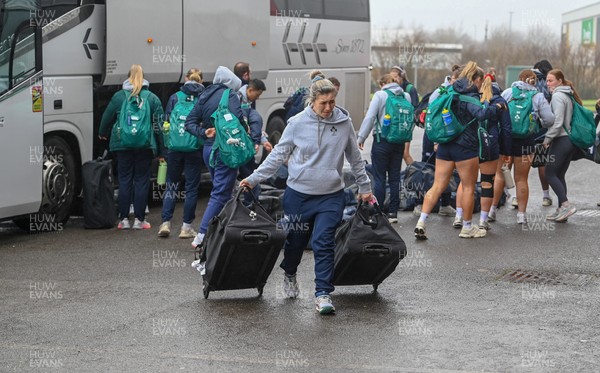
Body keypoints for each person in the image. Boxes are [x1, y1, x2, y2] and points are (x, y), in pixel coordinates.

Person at [240, 70, 372, 315]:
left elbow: (355, 158)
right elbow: (278, 155)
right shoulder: (297, 123)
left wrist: (365, 188)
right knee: (296, 242)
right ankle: (290, 274)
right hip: (299, 195)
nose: (329, 107)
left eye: (332, 102)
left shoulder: (344, 123)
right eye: (324, 103)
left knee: (323, 242)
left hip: (331, 195)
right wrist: (253, 178)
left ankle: (323, 293)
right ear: (313, 101)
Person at [414, 61, 505, 240]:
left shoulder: (448, 91)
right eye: (480, 81)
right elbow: (482, 114)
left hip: (444, 145)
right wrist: (497, 108)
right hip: (465, 147)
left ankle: (421, 222)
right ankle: (468, 227)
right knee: (469, 187)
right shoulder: (469, 96)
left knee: (438, 185)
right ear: (477, 79)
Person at [184, 66, 246, 247]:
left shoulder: (204, 95)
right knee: (220, 193)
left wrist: (204, 132)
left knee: (224, 191)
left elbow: (189, 123)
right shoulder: (230, 95)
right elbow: (238, 119)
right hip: (225, 150)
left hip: (208, 151)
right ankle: (202, 235)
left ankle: (225, 231)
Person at [98, 64, 164, 230]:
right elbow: (158, 126)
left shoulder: (119, 96)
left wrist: (102, 133)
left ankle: (124, 220)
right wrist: (162, 149)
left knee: (125, 180)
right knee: (142, 180)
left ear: (128, 77)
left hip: (122, 144)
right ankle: (140, 220)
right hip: (144, 144)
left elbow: (107, 117)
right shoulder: (152, 98)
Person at [454, 69, 512, 230]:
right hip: (490, 144)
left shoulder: (471, 98)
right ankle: (483, 220)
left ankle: (459, 216)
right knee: (487, 181)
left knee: (465, 183)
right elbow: (506, 129)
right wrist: (506, 152)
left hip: (471, 142)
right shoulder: (499, 101)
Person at [500, 69, 554, 224]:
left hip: (507, 139)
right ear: (534, 81)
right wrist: (538, 123)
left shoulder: (509, 92)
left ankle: (489, 213)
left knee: (500, 176)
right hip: (526, 141)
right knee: (521, 179)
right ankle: (521, 216)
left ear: (520, 79)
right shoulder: (538, 96)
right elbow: (549, 120)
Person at [157, 68, 205, 238]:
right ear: (200, 81)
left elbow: (166, 123)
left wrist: (166, 146)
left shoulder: (175, 97)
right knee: (191, 188)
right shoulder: (202, 97)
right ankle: (186, 227)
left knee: (171, 184)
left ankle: (165, 223)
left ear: (187, 79)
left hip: (175, 147)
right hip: (194, 148)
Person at [357, 74, 410, 223]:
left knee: (380, 177)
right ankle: (393, 213)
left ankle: (378, 213)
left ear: (382, 84)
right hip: (399, 141)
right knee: (394, 178)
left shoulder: (380, 95)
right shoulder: (405, 96)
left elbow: (370, 117)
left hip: (382, 140)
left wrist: (361, 137)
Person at [414, 64, 461, 218]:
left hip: (448, 137)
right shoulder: (439, 92)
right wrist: (435, 141)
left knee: (448, 171)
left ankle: (445, 204)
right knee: (427, 168)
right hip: (434, 136)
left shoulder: (457, 91)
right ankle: (420, 203)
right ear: (453, 78)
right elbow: (431, 117)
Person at [542, 69, 581, 222]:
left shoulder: (558, 96)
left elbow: (557, 123)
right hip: (569, 140)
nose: (547, 83)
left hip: (561, 140)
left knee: (549, 174)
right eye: (546, 80)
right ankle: (561, 210)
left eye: (550, 80)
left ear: (560, 80)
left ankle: (566, 205)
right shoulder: (567, 94)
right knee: (559, 175)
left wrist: (547, 139)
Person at [237, 78, 272, 204]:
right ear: (250, 90)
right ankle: (250, 207)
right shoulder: (237, 99)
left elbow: (252, 125)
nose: (257, 98)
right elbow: (247, 125)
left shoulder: (245, 100)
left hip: (242, 146)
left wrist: (263, 140)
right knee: (250, 178)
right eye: (257, 95)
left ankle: (249, 206)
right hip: (239, 147)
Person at [531, 59, 554, 207]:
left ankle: (513, 195)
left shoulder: (528, 82)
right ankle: (546, 195)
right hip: (543, 130)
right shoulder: (549, 83)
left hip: (525, 128)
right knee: (542, 162)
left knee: (521, 163)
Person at [391, 65, 418, 167]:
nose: (393, 80)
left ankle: (415, 174)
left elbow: (415, 108)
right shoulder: (393, 89)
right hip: (395, 125)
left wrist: (409, 126)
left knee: (405, 154)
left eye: (395, 77)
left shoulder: (409, 89)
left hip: (406, 125)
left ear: (401, 77)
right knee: (396, 153)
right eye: (391, 78)